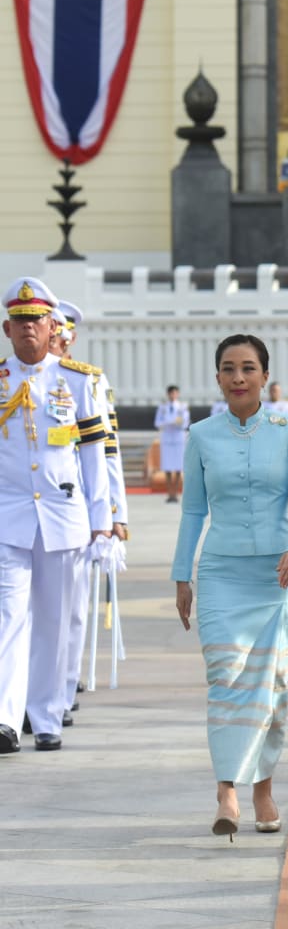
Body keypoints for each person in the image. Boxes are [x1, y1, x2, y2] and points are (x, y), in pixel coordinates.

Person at [172, 334, 288, 841]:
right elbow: (193, 510)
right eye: (228, 369)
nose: (238, 378)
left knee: (271, 685)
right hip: (221, 575)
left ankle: (263, 789)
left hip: (278, 577)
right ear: (217, 378)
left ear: (265, 377)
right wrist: (181, 574)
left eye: (248, 368)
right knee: (226, 677)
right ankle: (227, 789)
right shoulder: (202, 435)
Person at [0, 278, 111, 755]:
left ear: (52, 326)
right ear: (7, 328)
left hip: (63, 518)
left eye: (37, 320)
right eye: (20, 321)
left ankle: (45, 717)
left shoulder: (79, 381)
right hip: (7, 516)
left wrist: (103, 521)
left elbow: (95, 458)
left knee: (52, 621)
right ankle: (5, 719)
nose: (29, 329)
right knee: (8, 617)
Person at [51, 301, 129, 726]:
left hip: (81, 508)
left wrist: (116, 514)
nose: (56, 345)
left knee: (73, 607)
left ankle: (63, 687)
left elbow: (108, 451)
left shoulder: (88, 382)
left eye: (62, 339)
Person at [155, 385, 190, 502]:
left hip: (179, 438)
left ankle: (175, 493)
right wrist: (169, 422)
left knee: (179, 467)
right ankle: (170, 493)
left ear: (177, 394)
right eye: (171, 393)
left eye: (175, 393)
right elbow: (157, 422)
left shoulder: (182, 407)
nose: (173, 395)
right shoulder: (163, 407)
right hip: (167, 438)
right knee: (168, 467)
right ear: (168, 394)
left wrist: (177, 423)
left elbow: (185, 423)